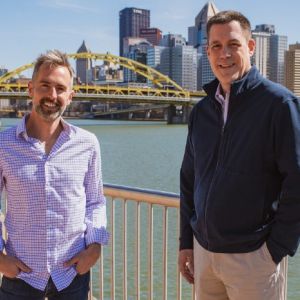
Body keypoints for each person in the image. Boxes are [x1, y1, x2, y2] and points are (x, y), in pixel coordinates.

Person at [178, 10, 300, 300]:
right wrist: (187, 241)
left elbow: (297, 182)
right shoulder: (202, 112)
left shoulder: (279, 104)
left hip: (253, 258)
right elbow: (188, 179)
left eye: (233, 44)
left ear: (251, 47)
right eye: (216, 46)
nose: (225, 54)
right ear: (207, 52)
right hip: (204, 255)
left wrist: (274, 250)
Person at [0, 50, 109, 299]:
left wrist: (94, 248)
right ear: (30, 89)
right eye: (45, 86)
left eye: (60, 88)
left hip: (72, 273)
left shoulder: (87, 143)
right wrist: (0, 259)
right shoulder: (3, 144)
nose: (52, 95)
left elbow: (95, 201)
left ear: (70, 96)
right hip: (20, 276)